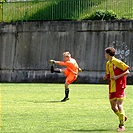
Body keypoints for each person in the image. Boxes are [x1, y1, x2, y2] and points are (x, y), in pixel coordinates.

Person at [103, 47, 130, 132]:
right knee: (113, 107)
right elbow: (108, 73)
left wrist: (117, 77)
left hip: (120, 86)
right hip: (112, 87)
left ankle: (121, 126)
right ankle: (122, 116)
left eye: (105, 53)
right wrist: (106, 76)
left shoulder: (117, 62)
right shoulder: (108, 63)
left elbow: (127, 71)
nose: (104, 55)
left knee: (119, 105)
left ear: (108, 54)